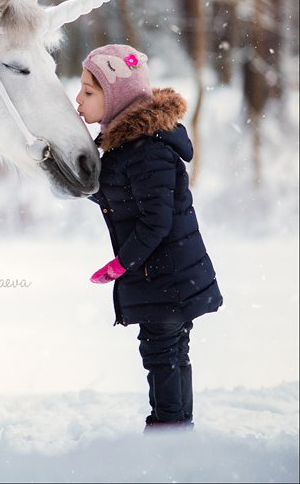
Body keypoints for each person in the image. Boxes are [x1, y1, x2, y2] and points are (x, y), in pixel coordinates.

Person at [75, 44, 223, 431]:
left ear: (117, 98)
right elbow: (118, 197)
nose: (78, 99)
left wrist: (121, 264)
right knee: (171, 352)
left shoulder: (147, 151)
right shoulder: (129, 148)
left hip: (167, 278)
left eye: (89, 92)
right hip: (167, 276)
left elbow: (155, 221)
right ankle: (175, 428)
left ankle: (168, 433)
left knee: (162, 353)